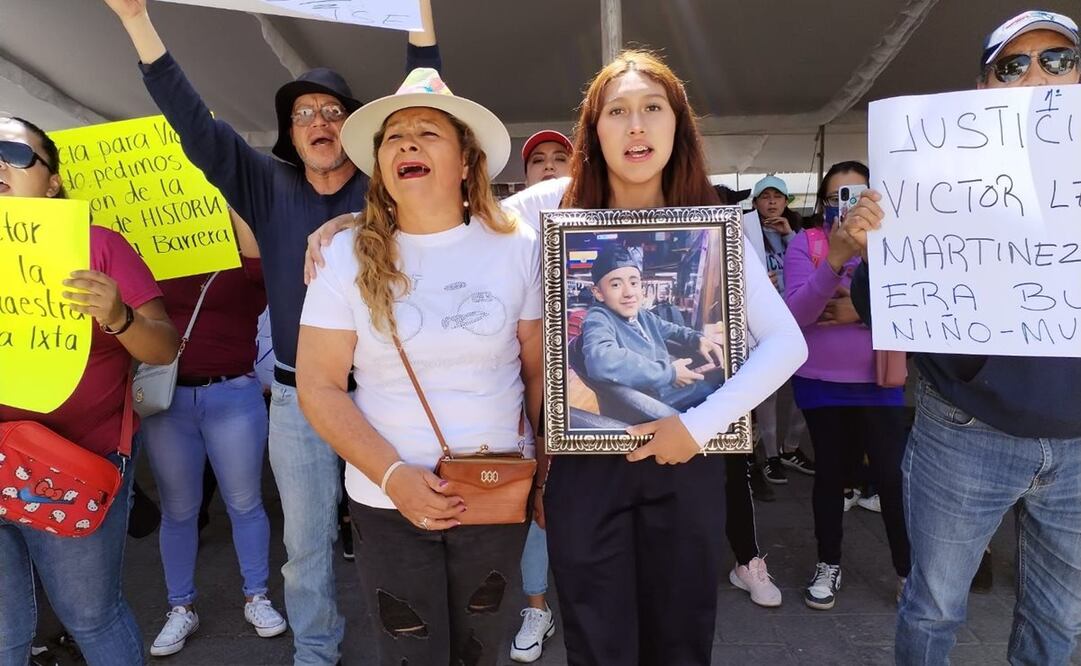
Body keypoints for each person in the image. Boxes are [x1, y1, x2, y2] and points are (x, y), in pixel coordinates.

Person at [102, 1, 440, 662]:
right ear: (289, 132)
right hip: (296, 400)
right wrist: (136, 20)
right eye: (303, 113)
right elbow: (192, 124)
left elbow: (427, 96)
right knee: (306, 546)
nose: (318, 121)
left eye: (333, 110)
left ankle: (416, 649)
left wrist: (418, 17)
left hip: (388, 395)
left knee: (405, 532)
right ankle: (316, 652)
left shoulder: (388, 187)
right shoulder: (264, 183)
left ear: (357, 126)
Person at [500, 50, 808, 664]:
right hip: (585, 472)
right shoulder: (545, 210)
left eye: (651, 109)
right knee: (597, 640)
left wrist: (695, 424)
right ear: (595, 130)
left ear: (677, 125)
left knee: (680, 640)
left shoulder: (713, 226)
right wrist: (350, 223)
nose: (635, 126)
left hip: (684, 465)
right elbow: (440, 224)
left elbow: (786, 344)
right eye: (617, 112)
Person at [846, 11, 1081, 664]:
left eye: (1058, 60)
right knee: (933, 607)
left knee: (1058, 623)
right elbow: (880, 308)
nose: (1037, 74)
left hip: (1077, 442)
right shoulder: (932, 172)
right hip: (964, 432)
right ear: (984, 89)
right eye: (1013, 65)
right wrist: (874, 254)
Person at [296, 68, 541, 666]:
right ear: (381, 166)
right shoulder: (343, 255)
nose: (406, 143)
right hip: (386, 500)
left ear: (465, 161)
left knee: (480, 647)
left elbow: (540, 375)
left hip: (495, 492)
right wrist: (392, 476)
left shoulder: (519, 246)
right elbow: (320, 385)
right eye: (392, 137)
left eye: (427, 132)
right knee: (410, 653)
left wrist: (548, 468)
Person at [0, 115, 180, 666]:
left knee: (89, 616)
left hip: (75, 464)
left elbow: (164, 347)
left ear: (52, 181)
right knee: (3, 629)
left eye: (14, 152)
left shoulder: (98, 246)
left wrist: (121, 317)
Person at [137, 217, 285, 656]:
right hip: (170, 401)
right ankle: (180, 607)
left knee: (244, 503)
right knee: (179, 510)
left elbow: (261, 259)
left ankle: (256, 596)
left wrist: (228, 192)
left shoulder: (242, 263)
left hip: (233, 394)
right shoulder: (156, 260)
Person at [782, 160, 911, 611]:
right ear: (824, 204)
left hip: (881, 382)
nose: (851, 207)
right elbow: (796, 314)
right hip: (821, 383)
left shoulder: (894, 244)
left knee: (893, 478)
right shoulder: (808, 244)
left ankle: (906, 571)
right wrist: (834, 261)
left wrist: (856, 309)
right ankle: (828, 562)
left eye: (860, 195)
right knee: (830, 475)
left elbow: (910, 302)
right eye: (841, 197)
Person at [512, 129, 571, 663]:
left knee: (584, 497)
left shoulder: (600, 219)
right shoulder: (507, 232)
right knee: (537, 496)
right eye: (539, 162)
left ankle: (582, 599)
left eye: (561, 158)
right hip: (528, 381)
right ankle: (536, 605)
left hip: (591, 391)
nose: (550, 168)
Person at [576, 244, 725, 414]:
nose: (629, 292)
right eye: (616, 285)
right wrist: (669, 373)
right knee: (726, 397)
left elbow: (672, 329)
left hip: (666, 391)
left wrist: (697, 339)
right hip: (656, 405)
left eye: (634, 282)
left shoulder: (643, 316)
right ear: (598, 293)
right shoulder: (599, 318)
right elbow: (601, 360)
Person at [742, 175, 814, 485]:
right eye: (765, 197)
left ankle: (791, 448)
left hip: (800, 319)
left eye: (778, 196)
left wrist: (791, 236)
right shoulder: (744, 230)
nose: (771, 202)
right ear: (755, 203)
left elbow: (815, 272)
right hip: (763, 323)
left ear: (786, 202)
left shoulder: (801, 234)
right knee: (767, 391)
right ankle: (770, 456)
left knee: (804, 390)